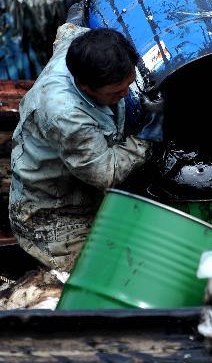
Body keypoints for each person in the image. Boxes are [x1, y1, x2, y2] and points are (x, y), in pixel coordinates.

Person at [9, 21, 160, 272]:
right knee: (93, 280)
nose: (125, 94)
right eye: (115, 92)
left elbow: (68, 29)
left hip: (89, 197)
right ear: (84, 86)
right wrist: (147, 137)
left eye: (128, 85)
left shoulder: (81, 46)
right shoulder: (66, 115)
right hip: (56, 216)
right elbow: (105, 173)